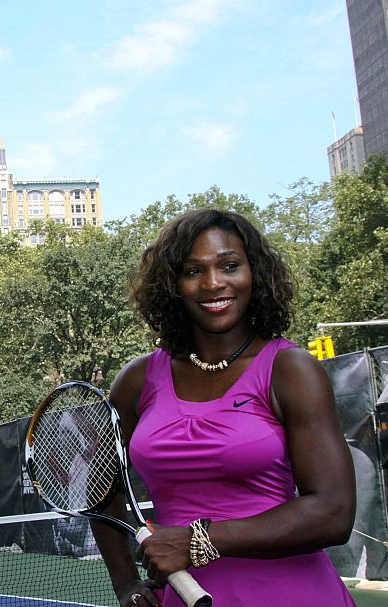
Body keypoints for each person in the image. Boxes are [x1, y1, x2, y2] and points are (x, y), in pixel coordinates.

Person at [91, 209, 356, 606]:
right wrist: (125, 582)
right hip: (182, 596)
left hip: (293, 594)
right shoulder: (137, 379)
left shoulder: (291, 369)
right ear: (173, 285)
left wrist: (198, 541)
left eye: (229, 266)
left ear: (255, 274)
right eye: (193, 270)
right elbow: (101, 489)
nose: (214, 283)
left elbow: (333, 512)